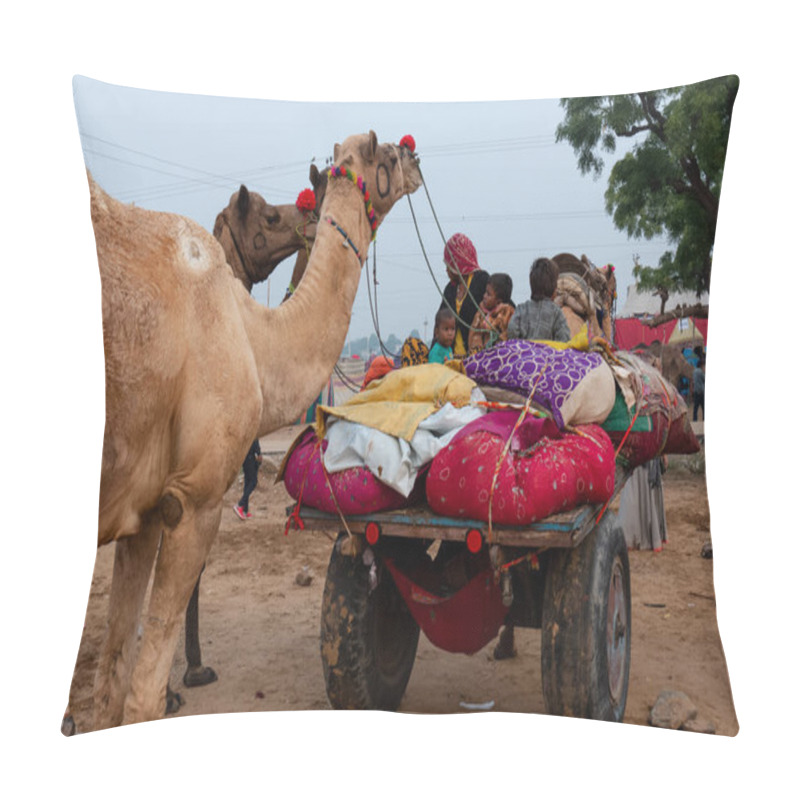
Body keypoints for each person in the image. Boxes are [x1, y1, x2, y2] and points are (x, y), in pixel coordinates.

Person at [439, 233, 490, 357]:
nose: (446, 270)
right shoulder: (450, 290)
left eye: (449, 265)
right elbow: (440, 322)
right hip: (451, 359)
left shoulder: (482, 281)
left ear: (458, 263)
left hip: (476, 358)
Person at [506, 257, 571, 343]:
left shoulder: (522, 308)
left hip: (524, 354)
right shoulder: (556, 313)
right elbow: (564, 338)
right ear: (554, 289)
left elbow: (512, 329)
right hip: (547, 355)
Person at [467, 272, 515, 352]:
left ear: (498, 302)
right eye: (485, 292)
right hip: (480, 355)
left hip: (498, 355)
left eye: (488, 294)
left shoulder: (506, 315)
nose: (484, 296)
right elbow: (473, 334)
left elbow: (507, 338)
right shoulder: (480, 313)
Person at [233, 439, 262, 520]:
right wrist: (259, 453)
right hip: (250, 456)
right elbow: (254, 439)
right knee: (253, 482)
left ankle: (245, 510)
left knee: (247, 482)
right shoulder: (253, 428)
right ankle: (239, 505)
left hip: (245, 456)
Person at [693, 356, 705, 421]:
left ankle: (695, 420)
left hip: (696, 391)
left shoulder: (694, 371)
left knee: (695, 408)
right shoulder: (701, 372)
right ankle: (704, 419)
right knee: (704, 408)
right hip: (701, 392)